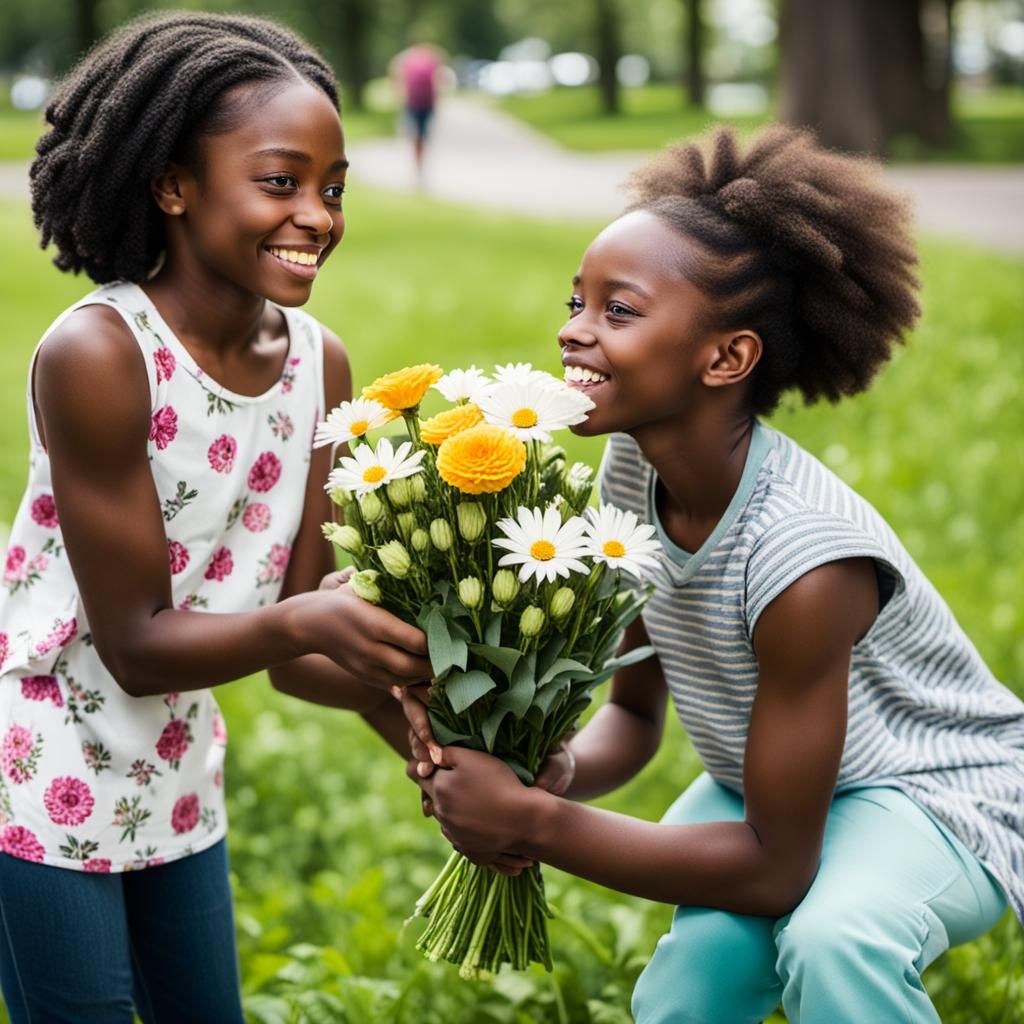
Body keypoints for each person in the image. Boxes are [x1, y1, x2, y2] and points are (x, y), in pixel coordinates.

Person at [399, 126, 1024, 1023]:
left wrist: (533, 825)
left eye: (619, 310)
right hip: (767, 789)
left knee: (833, 939)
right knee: (692, 988)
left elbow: (774, 870)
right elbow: (636, 715)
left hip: (933, 794)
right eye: (577, 300)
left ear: (726, 358)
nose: (572, 329)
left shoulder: (806, 562)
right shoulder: (632, 472)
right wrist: (548, 771)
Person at [0, 13, 430, 1023]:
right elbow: (141, 644)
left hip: (179, 775)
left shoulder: (319, 364)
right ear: (172, 185)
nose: (316, 216)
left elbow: (298, 640)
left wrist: (415, 724)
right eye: (279, 182)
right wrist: (310, 621)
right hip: (39, 762)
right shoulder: (101, 355)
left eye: (332, 188)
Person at [393, 42, 445, 179]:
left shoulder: (405, 58)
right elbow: (440, 79)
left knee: (416, 136)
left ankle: (418, 166)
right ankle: (419, 166)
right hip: (426, 103)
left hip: (413, 103)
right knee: (421, 136)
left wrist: (400, 96)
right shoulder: (433, 57)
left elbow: (397, 75)